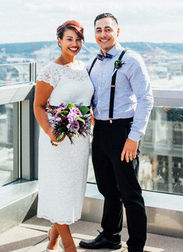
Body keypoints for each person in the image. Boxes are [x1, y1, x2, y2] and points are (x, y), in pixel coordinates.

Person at [79, 13, 154, 252]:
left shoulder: (131, 59)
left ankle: (136, 246)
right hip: (99, 131)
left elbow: (145, 99)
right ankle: (110, 236)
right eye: (99, 30)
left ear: (117, 32)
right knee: (107, 189)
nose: (103, 34)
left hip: (123, 131)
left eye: (108, 29)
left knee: (130, 193)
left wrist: (133, 137)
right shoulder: (92, 62)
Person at [34, 20, 94, 252]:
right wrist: (51, 132)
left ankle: (53, 236)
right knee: (59, 188)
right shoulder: (50, 70)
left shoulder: (83, 67)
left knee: (71, 189)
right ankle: (69, 246)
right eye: (69, 39)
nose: (74, 44)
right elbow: (38, 106)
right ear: (59, 41)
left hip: (79, 142)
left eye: (78, 39)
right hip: (57, 141)